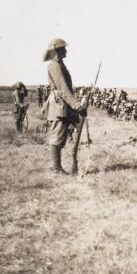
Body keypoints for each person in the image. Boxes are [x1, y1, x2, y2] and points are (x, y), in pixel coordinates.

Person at [44, 38, 86, 174]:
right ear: (57, 50)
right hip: (60, 104)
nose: (66, 50)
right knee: (57, 135)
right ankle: (56, 168)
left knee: (61, 135)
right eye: (63, 48)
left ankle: (57, 167)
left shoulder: (59, 64)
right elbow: (63, 88)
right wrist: (77, 106)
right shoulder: (54, 66)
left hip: (63, 104)